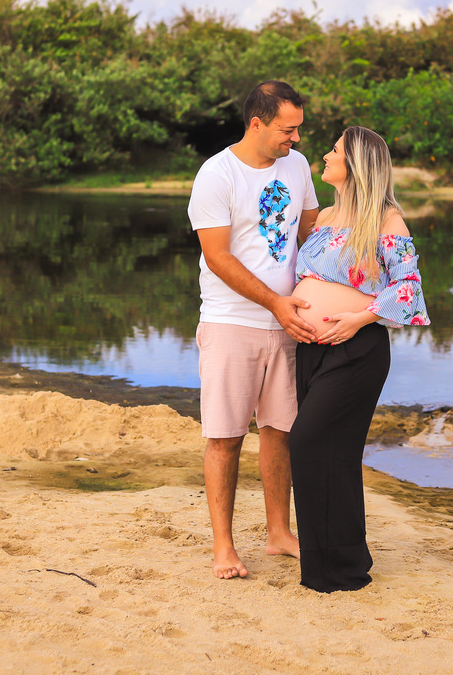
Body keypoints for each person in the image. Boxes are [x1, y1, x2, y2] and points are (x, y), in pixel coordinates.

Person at [187, 81, 320, 579]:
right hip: (231, 323)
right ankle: (223, 547)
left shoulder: (297, 166)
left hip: (289, 323)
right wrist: (274, 304)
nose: (296, 139)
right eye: (288, 130)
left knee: (281, 432)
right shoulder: (216, 174)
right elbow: (218, 257)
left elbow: (312, 233)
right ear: (257, 123)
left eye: (299, 129)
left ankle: (279, 534)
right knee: (225, 437)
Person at [288, 125, 430, 593]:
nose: (326, 156)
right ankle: (331, 566)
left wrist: (359, 319)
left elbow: (407, 288)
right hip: (310, 348)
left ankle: (343, 564)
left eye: (335, 150)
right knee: (330, 454)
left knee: (309, 442)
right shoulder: (326, 216)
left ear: (356, 165)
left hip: (356, 350)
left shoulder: (387, 220)